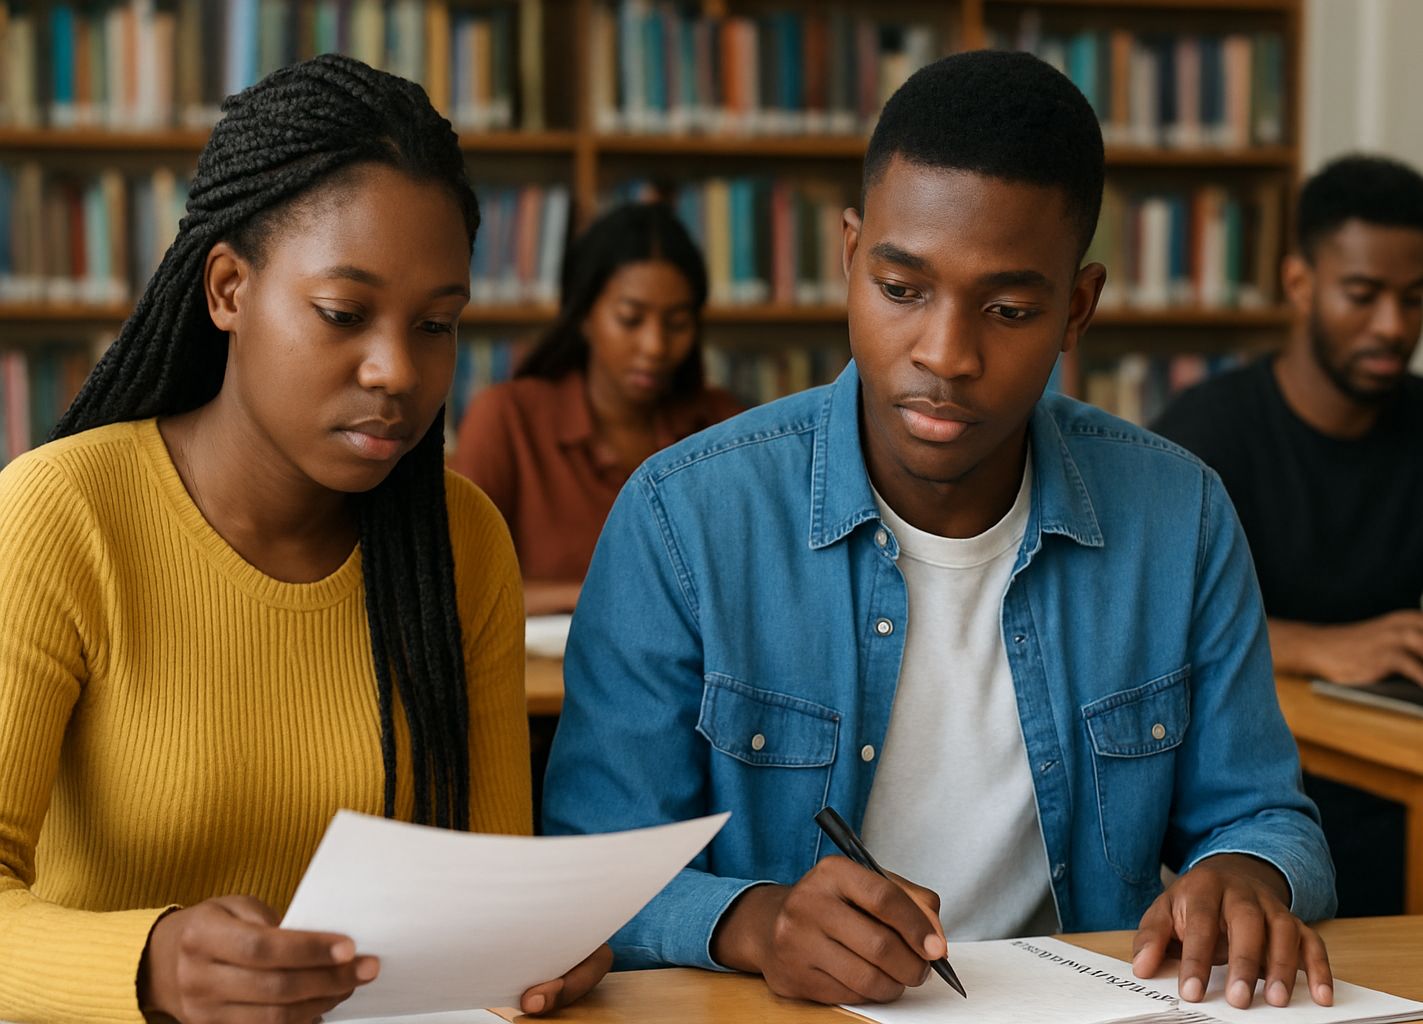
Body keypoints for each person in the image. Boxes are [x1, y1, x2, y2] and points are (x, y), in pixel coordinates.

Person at [544, 50, 1336, 1012]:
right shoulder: (684, 516)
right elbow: (588, 869)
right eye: (901, 289)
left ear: (1076, 310)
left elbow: (1262, 813)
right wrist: (756, 922)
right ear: (848, 259)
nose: (945, 354)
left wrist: (1249, 876)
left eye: (1008, 309)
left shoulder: (1183, 515)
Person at [0, 55, 608, 1024]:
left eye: (438, 324)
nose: (396, 370)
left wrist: (539, 950)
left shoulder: (463, 541)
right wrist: (148, 964)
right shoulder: (60, 516)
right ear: (230, 288)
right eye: (343, 314)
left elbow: (489, 884)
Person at [1152, 155, 1423, 918]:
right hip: (1278, 775)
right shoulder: (1208, 430)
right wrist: (1325, 646)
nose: (1393, 325)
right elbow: (1154, 626)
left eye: (1414, 298)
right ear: (1299, 284)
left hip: (1417, 751)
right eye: (1364, 295)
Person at [450, 203, 742, 616]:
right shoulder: (507, 416)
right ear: (584, 316)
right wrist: (605, 594)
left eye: (677, 324)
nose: (655, 346)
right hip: (541, 678)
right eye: (630, 319)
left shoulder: (721, 425)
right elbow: (459, 582)